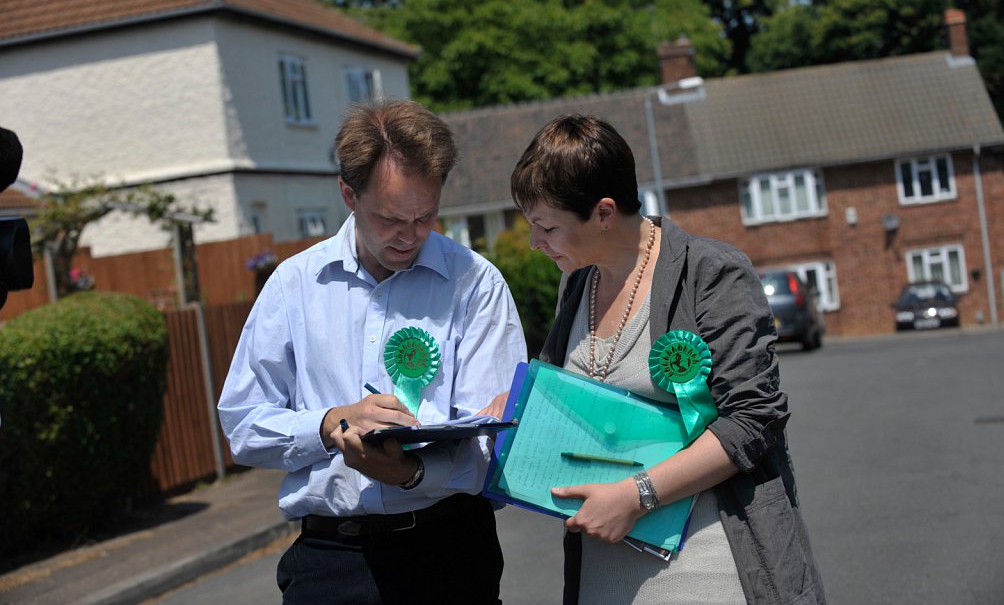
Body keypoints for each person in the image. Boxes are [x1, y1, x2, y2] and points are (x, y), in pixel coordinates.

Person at [218, 99, 528, 604]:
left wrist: (414, 473)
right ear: (348, 193)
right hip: (332, 562)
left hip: (451, 556)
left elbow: (498, 445)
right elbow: (243, 424)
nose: (410, 236)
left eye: (425, 216)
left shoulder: (476, 284)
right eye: (390, 219)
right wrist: (329, 424)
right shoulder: (294, 285)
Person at [509, 114, 825, 604]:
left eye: (546, 227)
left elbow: (753, 420)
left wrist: (637, 495)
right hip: (600, 578)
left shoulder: (712, 272)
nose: (535, 243)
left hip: (705, 570)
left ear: (605, 212)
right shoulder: (575, 282)